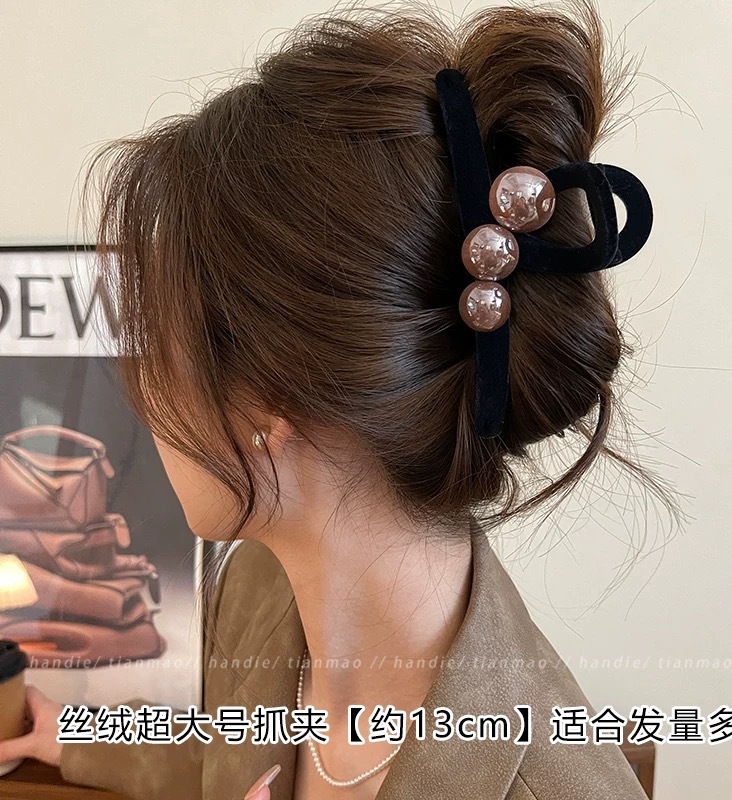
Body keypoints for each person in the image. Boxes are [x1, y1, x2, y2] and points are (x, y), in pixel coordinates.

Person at [0, 2, 678, 798]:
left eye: (161, 341)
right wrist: (81, 738)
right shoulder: (265, 586)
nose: (140, 389)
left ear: (269, 396)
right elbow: (228, 744)